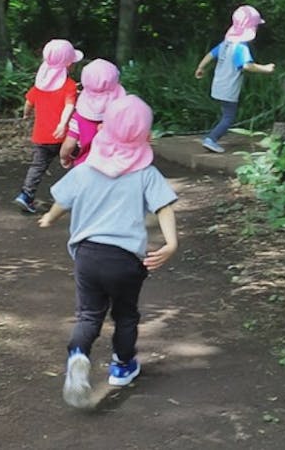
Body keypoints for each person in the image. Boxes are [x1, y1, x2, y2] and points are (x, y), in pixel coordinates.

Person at [38, 95, 179, 409]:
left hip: (88, 256)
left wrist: (50, 217)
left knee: (89, 314)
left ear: (104, 128)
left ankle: (78, 356)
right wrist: (171, 243)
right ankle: (122, 367)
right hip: (126, 260)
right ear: (145, 134)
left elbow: (64, 199)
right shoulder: (146, 173)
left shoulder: (86, 169)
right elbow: (164, 206)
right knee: (125, 315)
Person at [194, 4, 276, 153]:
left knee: (226, 113)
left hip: (218, 84)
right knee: (229, 117)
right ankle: (211, 139)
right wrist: (265, 68)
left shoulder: (226, 44)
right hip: (229, 87)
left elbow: (211, 54)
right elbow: (246, 66)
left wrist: (200, 67)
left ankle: (212, 136)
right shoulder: (241, 47)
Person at [14, 39, 83, 214]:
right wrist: (62, 123)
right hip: (64, 137)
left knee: (37, 167)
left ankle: (26, 196)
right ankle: (82, 195)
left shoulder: (39, 86)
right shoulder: (68, 86)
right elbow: (69, 106)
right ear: (68, 65)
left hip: (41, 136)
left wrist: (26, 114)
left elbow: (28, 103)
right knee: (80, 160)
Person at [59, 58, 126, 169]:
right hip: (115, 166)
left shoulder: (79, 118)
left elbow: (69, 144)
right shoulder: (121, 115)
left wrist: (64, 157)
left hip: (85, 168)